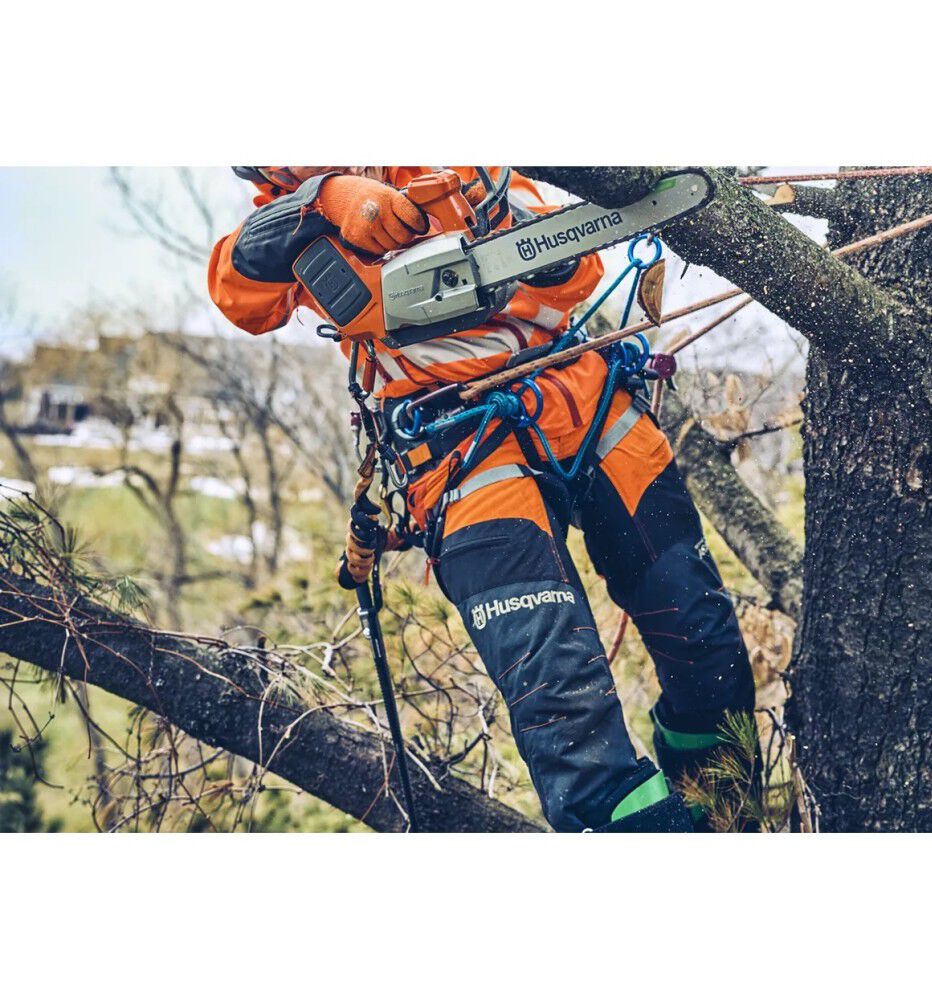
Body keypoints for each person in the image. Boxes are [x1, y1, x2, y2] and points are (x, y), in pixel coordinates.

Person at [209, 166, 758, 832]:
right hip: (456, 449)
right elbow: (238, 293)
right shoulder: (288, 216)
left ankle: (730, 822)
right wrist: (322, 203)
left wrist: (513, 236)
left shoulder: (457, 168)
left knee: (704, 641)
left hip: (585, 400)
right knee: (564, 708)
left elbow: (577, 272)